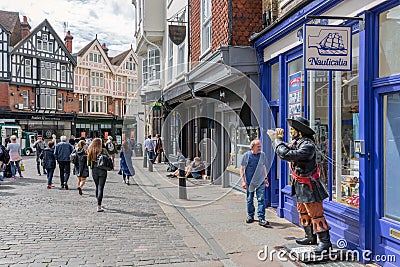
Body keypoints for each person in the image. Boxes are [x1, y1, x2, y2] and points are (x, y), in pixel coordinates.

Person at [267, 116, 331, 253]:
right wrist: (279, 141)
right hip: (300, 184)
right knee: (303, 211)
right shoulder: (298, 142)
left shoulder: (307, 145)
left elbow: (286, 155)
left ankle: (325, 242)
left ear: (299, 131)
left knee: (316, 213)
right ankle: (310, 236)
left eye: (292, 129)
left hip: (309, 186)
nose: (290, 131)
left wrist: (276, 140)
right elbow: (285, 149)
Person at [240, 139, 270, 227]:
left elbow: (264, 166)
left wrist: (265, 178)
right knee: (250, 199)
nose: (260, 148)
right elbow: (242, 169)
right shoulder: (246, 156)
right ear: (252, 147)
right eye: (258, 146)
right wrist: (243, 181)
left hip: (260, 181)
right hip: (250, 181)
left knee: (261, 199)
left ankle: (261, 218)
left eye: (260, 146)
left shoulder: (262, 155)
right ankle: (250, 216)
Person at [87, 138, 109, 212]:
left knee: (97, 186)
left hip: (94, 170)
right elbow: (108, 158)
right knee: (101, 187)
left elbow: (88, 163)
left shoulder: (90, 150)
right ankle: (99, 205)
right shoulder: (103, 150)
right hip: (102, 170)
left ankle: (98, 203)